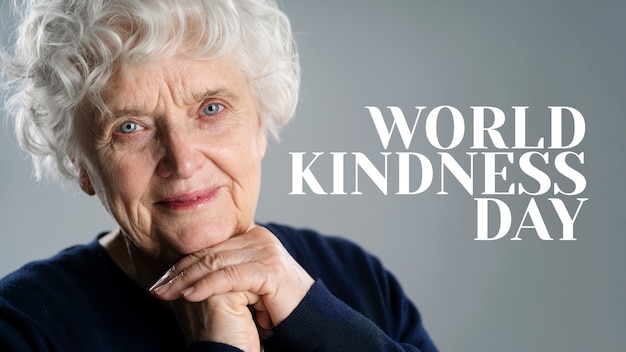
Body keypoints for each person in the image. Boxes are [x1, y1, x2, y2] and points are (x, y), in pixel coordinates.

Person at [0, 0, 437, 351]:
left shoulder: (354, 276)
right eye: (129, 127)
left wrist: (313, 318)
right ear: (81, 164)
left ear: (260, 122)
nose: (183, 162)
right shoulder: (22, 326)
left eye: (211, 109)